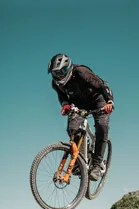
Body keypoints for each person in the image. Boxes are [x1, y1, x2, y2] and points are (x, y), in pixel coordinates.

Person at [48, 53, 114, 181]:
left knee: (102, 126)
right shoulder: (56, 83)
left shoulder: (82, 73)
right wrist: (65, 104)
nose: (59, 75)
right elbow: (62, 95)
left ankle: (96, 165)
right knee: (73, 128)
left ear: (68, 68)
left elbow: (102, 85)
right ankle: (81, 159)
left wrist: (109, 101)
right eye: (55, 73)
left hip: (98, 101)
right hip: (79, 104)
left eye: (61, 71)